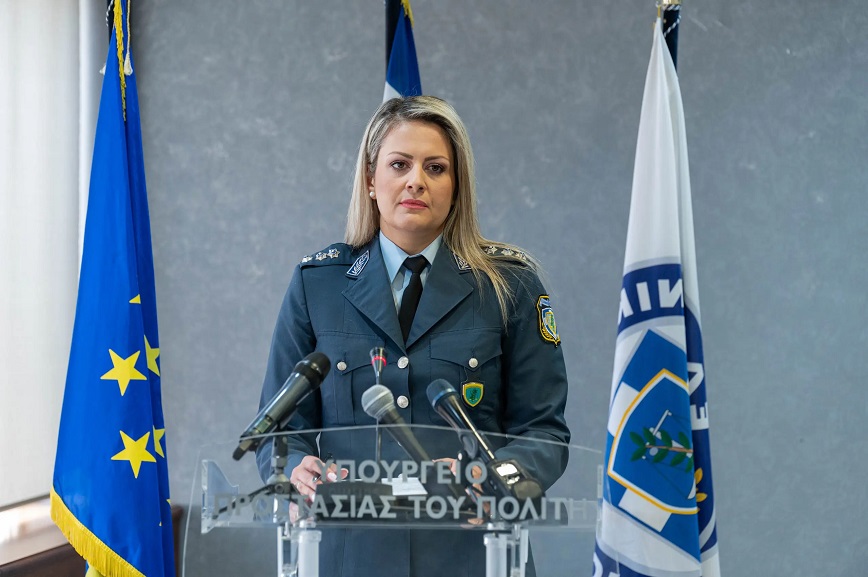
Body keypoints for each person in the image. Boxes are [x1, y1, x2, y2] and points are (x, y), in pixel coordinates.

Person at [255, 95, 570, 577]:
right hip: (351, 558)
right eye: (399, 164)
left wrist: (498, 478)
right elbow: (279, 431)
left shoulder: (509, 285)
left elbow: (543, 432)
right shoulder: (318, 285)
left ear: (456, 186)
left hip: (476, 554)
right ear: (370, 179)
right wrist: (294, 468)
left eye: (436, 168)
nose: (416, 181)